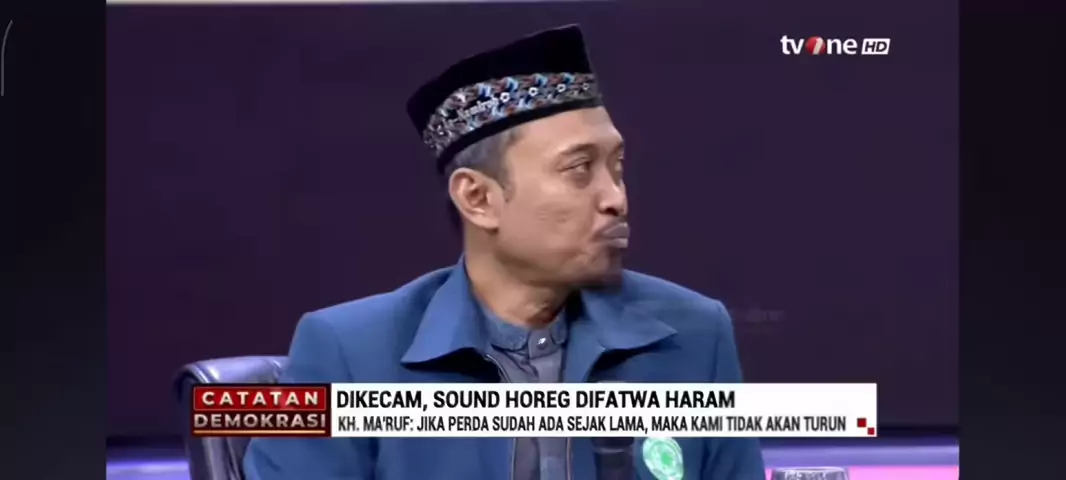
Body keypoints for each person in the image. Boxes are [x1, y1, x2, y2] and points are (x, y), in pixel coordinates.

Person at [244, 24, 765, 480]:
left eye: (618, 167)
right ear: (479, 199)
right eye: (579, 169)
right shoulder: (347, 354)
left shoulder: (693, 337)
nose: (616, 198)